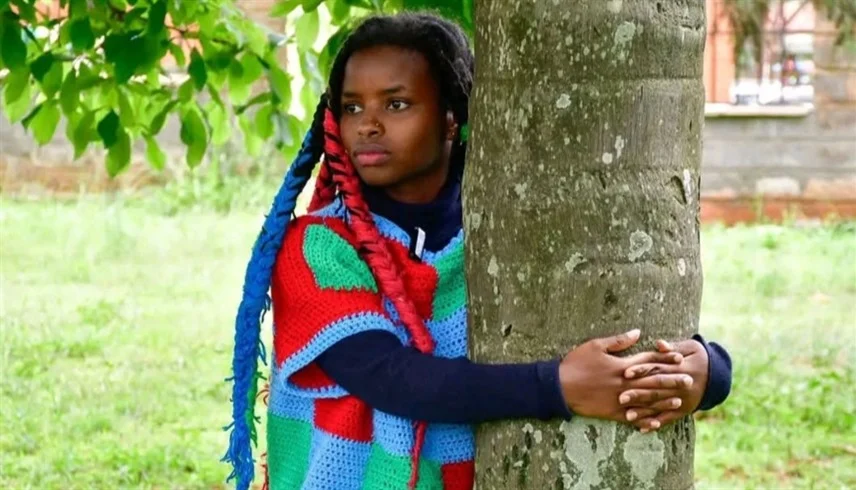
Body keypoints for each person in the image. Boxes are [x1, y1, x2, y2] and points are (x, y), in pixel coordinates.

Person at [222, 12, 732, 490]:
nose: (368, 125)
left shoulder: (506, 234)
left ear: (451, 118)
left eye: (396, 104)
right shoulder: (318, 246)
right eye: (352, 106)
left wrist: (707, 370)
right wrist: (555, 386)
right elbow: (390, 378)